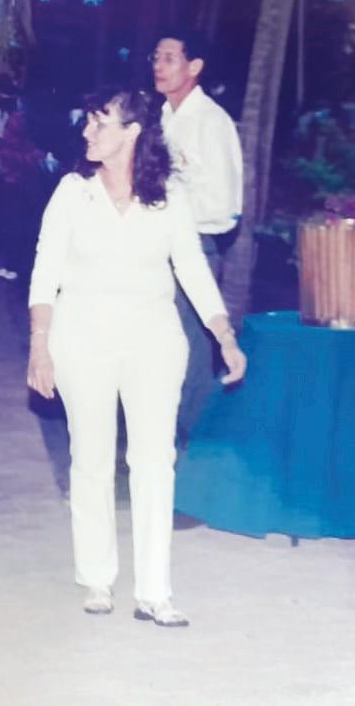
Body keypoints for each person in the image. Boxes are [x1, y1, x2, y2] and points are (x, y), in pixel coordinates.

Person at [26, 86, 245, 628]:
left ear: (132, 132)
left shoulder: (168, 195)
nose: (87, 131)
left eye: (99, 122)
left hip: (153, 339)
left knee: (154, 461)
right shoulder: (72, 192)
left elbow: (192, 269)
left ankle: (154, 589)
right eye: (87, 120)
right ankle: (97, 577)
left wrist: (223, 335)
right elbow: (45, 271)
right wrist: (39, 347)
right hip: (81, 337)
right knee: (91, 458)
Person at [150, 31, 243, 444]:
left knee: (190, 351)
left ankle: (200, 444)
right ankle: (164, 437)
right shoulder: (163, 118)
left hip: (196, 247)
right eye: (156, 57)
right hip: (159, 249)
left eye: (169, 58)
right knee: (162, 348)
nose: (158, 66)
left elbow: (225, 205)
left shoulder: (211, 122)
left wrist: (175, 214)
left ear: (195, 67)